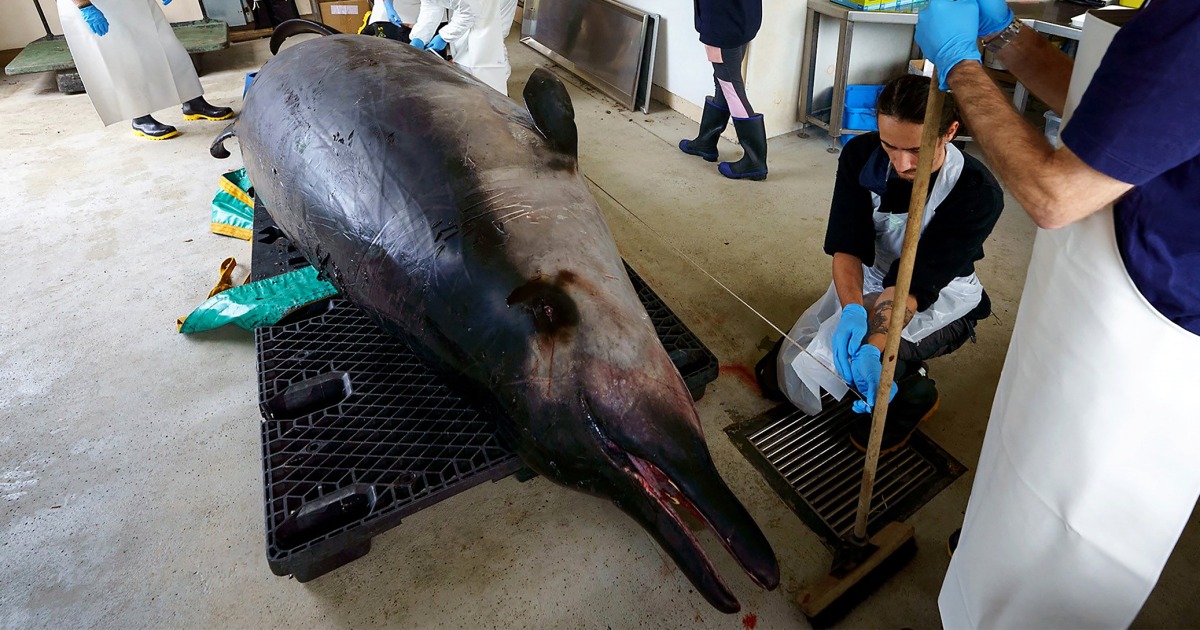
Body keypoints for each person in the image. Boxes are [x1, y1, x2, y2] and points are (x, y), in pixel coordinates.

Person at [914, 0, 1200, 626]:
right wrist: (1004, 36)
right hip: (1112, 291)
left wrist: (960, 65)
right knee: (1025, 467)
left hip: (1150, 334)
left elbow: (1055, 193)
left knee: (1077, 526)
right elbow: (1122, 118)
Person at [756, 74, 1002, 453]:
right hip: (871, 279)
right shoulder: (861, 156)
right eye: (891, 145)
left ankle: (914, 391)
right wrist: (853, 310)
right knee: (776, 377)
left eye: (917, 150)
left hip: (934, 299)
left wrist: (874, 344)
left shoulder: (977, 192)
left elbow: (913, 284)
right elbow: (848, 248)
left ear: (949, 131)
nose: (902, 163)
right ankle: (879, 359)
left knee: (867, 359)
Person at [57, 0, 233, 140]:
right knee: (121, 59)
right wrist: (85, 5)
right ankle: (140, 118)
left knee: (167, 46)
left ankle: (193, 101)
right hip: (96, 6)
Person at [678, 0, 768, 181]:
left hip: (723, 19)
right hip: (742, 16)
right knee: (723, 81)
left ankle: (754, 160)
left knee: (730, 85)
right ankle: (706, 141)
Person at [409, 0, 510, 95]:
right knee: (465, 75)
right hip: (465, 17)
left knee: (487, 80)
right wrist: (419, 36)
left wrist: (444, 36)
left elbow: (469, 11)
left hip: (484, 21)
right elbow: (431, 6)